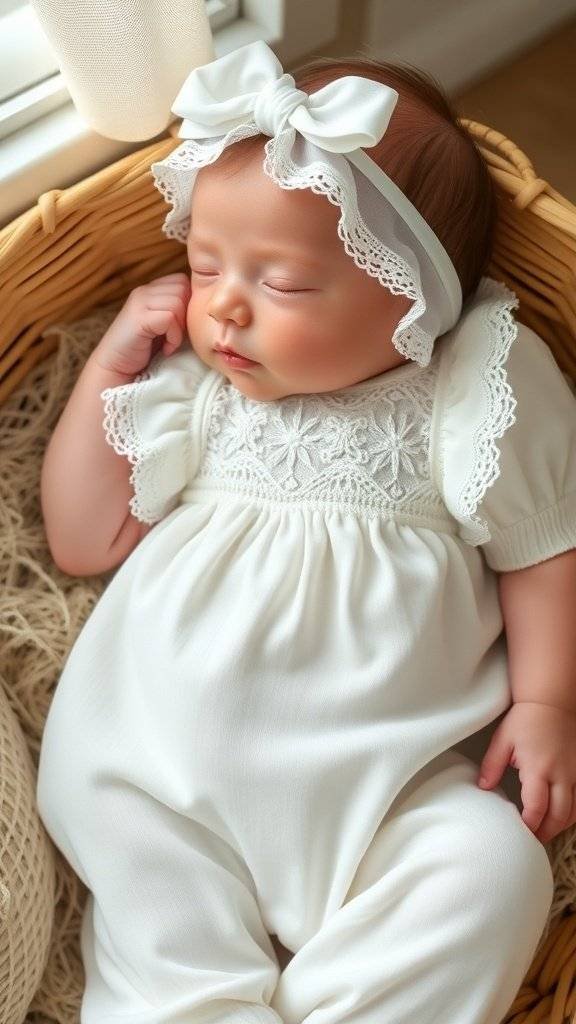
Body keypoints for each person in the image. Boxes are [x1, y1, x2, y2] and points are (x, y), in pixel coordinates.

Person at [36, 40, 576, 1024]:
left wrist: (545, 701)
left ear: (411, 302)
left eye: (280, 283)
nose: (225, 304)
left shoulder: (472, 386)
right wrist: (105, 375)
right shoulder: (194, 392)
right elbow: (82, 540)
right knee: (163, 929)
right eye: (205, 265)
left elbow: (542, 545)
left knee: (495, 868)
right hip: (157, 769)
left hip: (385, 792)